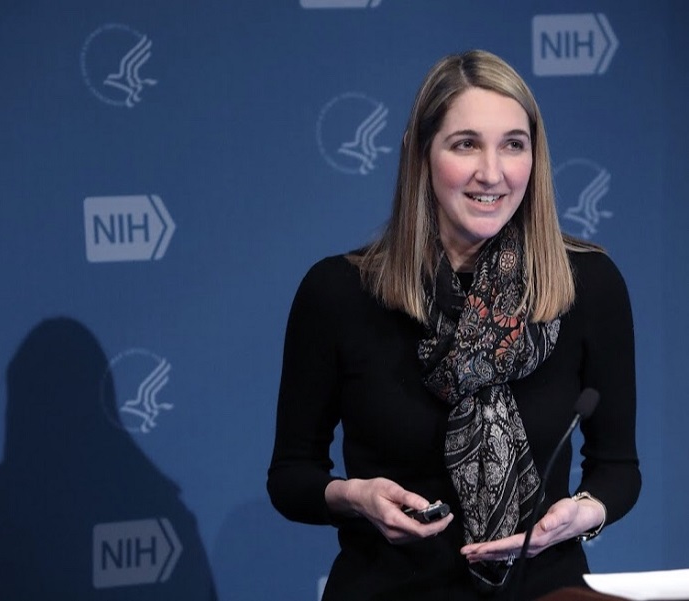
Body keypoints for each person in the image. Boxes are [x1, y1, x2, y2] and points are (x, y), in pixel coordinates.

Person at [267, 49, 640, 601]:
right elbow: (291, 477)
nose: (492, 173)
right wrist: (354, 498)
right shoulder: (339, 293)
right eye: (466, 143)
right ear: (422, 155)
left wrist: (584, 513)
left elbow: (618, 468)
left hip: (544, 589)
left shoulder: (587, 284)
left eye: (513, 144)